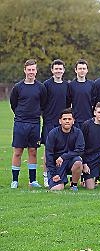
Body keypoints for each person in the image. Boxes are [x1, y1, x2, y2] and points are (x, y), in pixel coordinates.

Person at [9, 59, 47, 189]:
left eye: (33, 70)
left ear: (36, 71)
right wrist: (21, 114)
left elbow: (43, 104)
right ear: (25, 70)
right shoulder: (18, 87)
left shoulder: (41, 87)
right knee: (18, 151)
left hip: (34, 123)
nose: (31, 72)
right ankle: (14, 180)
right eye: (29, 69)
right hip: (20, 123)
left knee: (33, 151)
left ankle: (33, 180)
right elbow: (13, 104)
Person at [41, 59, 70, 187]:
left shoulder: (66, 86)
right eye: (56, 69)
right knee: (48, 150)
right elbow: (42, 103)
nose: (58, 71)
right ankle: (46, 176)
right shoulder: (46, 85)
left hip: (62, 124)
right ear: (52, 70)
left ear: (63, 70)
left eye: (60, 69)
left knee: (63, 149)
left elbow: (68, 103)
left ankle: (60, 174)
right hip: (49, 122)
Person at [45, 108, 84, 191]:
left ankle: (73, 185)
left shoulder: (78, 132)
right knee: (57, 188)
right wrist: (54, 173)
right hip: (57, 165)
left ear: (73, 121)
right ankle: (60, 180)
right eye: (64, 119)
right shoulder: (53, 133)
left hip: (70, 162)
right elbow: (49, 154)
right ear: (60, 121)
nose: (67, 121)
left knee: (78, 162)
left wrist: (63, 157)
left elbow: (80, 150)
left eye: (69, 119)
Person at [67, 59, 94, 129]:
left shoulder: (92, 85)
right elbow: (68, 103)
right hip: (76, 120)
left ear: (87, 70)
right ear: (76, 70)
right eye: (80, 68)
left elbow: (94, 102)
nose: (82, 70)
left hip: (89, 119)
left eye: (84, 68)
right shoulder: (71, 85)